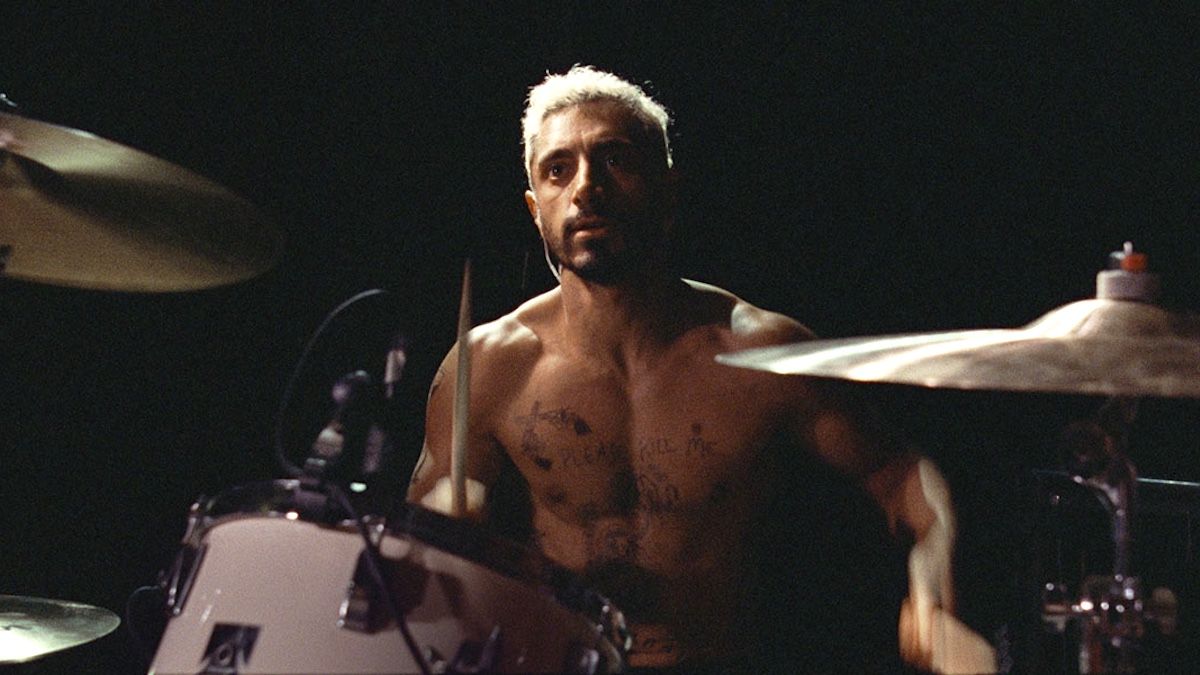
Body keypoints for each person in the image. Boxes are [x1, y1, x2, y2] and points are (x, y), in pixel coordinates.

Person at [408, 65, 993, 672]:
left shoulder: (759, 354)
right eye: (558, 170)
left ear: (668, 189)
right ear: (535, 208)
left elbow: (903, 477)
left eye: (615, 160)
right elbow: (412, 545)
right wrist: (440, 526)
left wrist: (934, 573)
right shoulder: (490, 366)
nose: (586, 188)